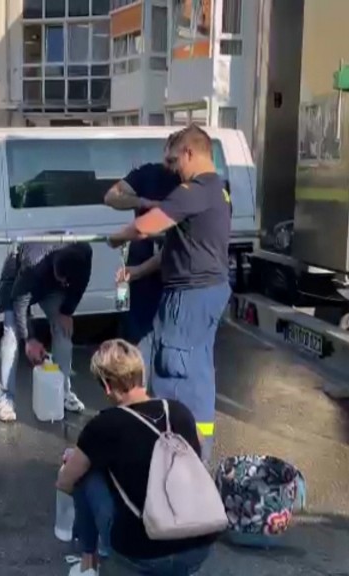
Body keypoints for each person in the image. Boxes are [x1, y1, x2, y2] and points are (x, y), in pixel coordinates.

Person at [107, 126, 233, 464]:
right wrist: (136, 272)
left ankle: (177, 461)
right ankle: (196, 458)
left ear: (191, 153)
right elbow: (175, 252)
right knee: (196, 373)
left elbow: (145, 226)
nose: (172, 167)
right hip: (206, 291)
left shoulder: (193, 190)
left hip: (189, 297)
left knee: (173, 374)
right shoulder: (218, 191)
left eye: (175, 158)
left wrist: (118, 238)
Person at [56, 340, 216, 576]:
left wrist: (78, 460)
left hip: (145, 555)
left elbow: (64, 482)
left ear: (107, 387)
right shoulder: (179, 410)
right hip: (199, 548)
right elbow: (198, 447)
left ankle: (88, 565)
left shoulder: (104, 425)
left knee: (84, 473)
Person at [103, 136, 183, 364]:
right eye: (169, 154)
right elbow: (111, 196)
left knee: (168, 332)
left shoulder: (189, 184)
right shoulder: (148, 173)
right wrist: (144, 203)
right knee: (135, 327)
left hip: (173, 265)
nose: (171, 161)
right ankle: (137, 379)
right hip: (141, 260)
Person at [0, 242, 94, 423]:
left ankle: (63, 392)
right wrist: (30, 338)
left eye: (67, 282)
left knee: (63, 330)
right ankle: (6, 399)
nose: (65, 283)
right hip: (16, 284)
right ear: (56, 269)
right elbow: (20, 301)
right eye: (62, 279)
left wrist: (67, 311)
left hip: (49, 286)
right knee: (11, 337)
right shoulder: (33, 264)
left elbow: (81, 282)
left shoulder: (83, 252)